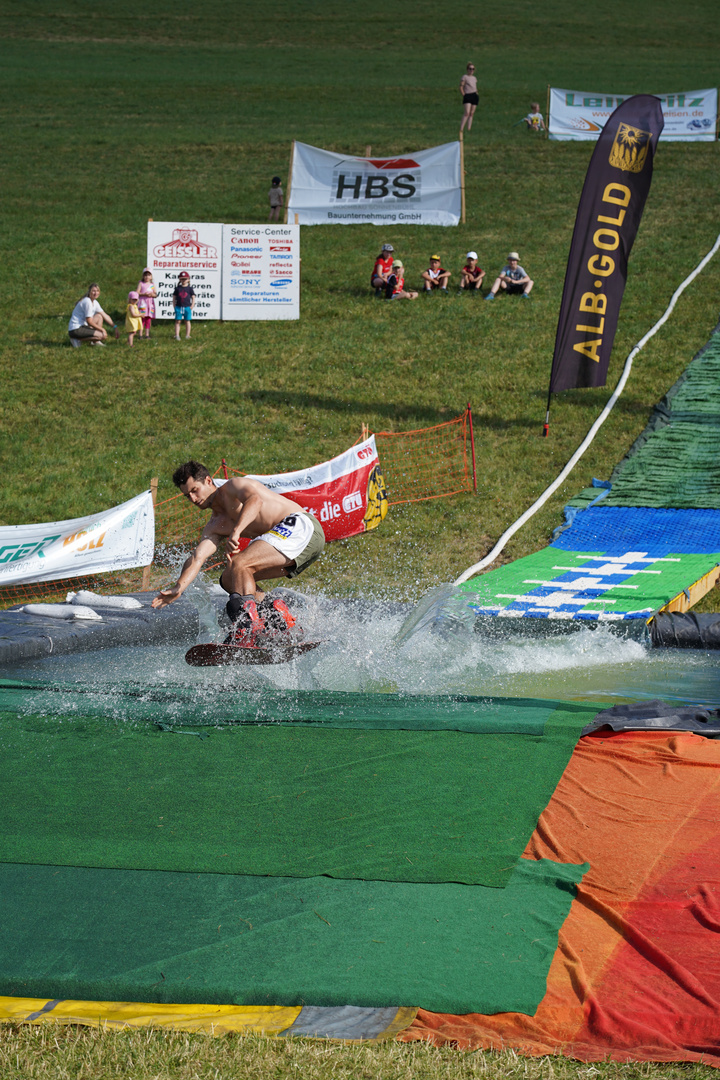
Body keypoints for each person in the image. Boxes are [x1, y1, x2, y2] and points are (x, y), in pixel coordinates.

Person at [152, 461, 326, 645]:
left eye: (195, 490)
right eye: (188, 496)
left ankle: (249, 630)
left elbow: (255, 501)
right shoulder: (214, 526)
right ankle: (280, 616)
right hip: (294, 547)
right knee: (229, 578)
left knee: (239, 563)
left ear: (208, 481)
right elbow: (197, 557)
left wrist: (236, 530)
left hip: (302, 526)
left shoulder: (233, 487)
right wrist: (179, 587)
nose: (194, 499)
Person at [173, 271, 195, 339]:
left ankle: (187, 335)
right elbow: (174, 297)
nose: (184, 280)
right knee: (178, 321)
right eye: (182, 279)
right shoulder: (177, 288)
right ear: (180, 279)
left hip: (187, 307)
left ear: (188, 279)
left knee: (187, 321)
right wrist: (174, 305)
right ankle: (177, 335)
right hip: (179, 307)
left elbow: (193, 297)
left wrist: (192, 305)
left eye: (185, 279)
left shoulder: (190, 288)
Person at [136, 268, 157, 338]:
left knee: (148, 319)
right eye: (145, 275)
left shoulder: (152, 284)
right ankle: (140, 334)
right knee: (142, 318)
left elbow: (155, 294)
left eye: (148, 275)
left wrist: (152, 295)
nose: (147, 277)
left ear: (151, 276)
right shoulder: (141, 283)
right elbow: (137, 293)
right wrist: (144, 294)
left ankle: (147, 334)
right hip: (143, 303)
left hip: (150, 304)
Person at [459, 63, 479, 133]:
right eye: (470, 69)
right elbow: (461, 86)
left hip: (474, 95)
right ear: (467, 69)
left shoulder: (474, 78)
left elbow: (475, 86)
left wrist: (476, 93)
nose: (471, 70)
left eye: (473, 69)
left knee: (471, 113)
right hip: (467, 95)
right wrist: (464, 94)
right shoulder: (464, 77)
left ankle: (469, 128)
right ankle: (461, 129)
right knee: (467, 112)